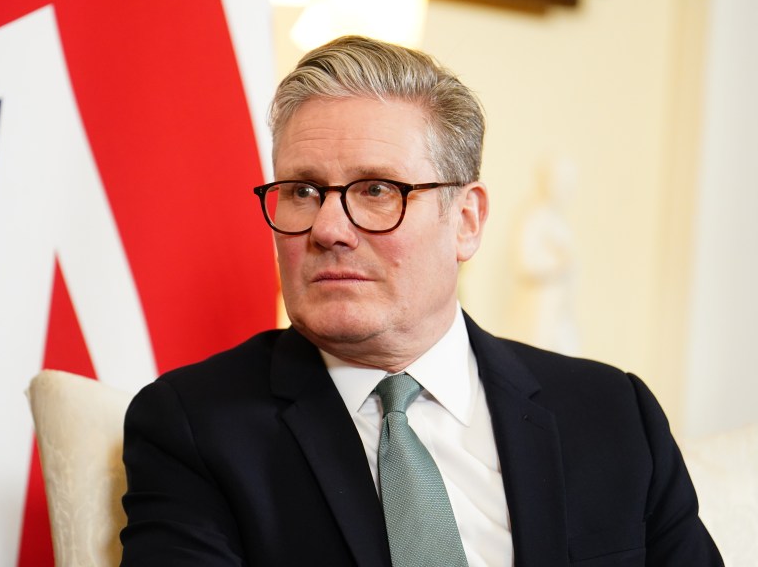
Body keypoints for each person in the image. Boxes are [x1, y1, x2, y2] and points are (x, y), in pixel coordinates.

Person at [119, 36, 722, 566]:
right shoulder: (193, 427)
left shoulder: (614, 413)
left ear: (465, 220)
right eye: (302, 191)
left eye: (377, 190)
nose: (328, 228)